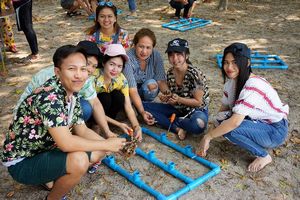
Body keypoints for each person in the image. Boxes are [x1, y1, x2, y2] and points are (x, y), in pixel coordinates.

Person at [0, 45, 127, 199]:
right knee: (79, 161)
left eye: (83, 69)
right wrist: (105, 144)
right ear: (57, 71)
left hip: (43, 149)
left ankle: (50, 176)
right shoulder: (49, 97)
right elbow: (66, 143)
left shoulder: (71, 93)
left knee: (99, 151)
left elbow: (82, 130)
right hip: (23, 162)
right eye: (72, 69)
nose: (79, 75)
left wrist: (112, 144)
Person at [198, 43, 289, 172]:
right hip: (258, 123)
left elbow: (234, 122)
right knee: (223, 123)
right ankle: (246, 135)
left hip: (275, 131)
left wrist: (208, 137)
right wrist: (213, 129)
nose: (229, 67)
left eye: (235, 62)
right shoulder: (231, 82)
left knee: (231, 130)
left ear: (247, 63)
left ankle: (263, 156)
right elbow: (224, 108)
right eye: (226, 62)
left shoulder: (253, 85)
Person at [14, 40, 128, 139]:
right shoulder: (49, 85)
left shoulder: (84, 80)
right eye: (87, 64)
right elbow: (66, 143)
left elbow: (95, 104)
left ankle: (69, 132)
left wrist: (107, 133)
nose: (90, 70)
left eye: (94, 66)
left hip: (53, 117)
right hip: (29, 123)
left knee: (84, 107)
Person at [143, 38, 209, 140]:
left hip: (195, 111)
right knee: (142, 107)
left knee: (198, 125)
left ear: (186, 55)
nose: (174, 58)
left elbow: (198, 102)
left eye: (179, 54)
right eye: (171, 55)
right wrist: (169, 98)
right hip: (178, 108)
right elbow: (174, 98)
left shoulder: (195, 74)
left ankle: (171, 122)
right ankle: (177, 128)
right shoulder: (170, 73)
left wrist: (178, 99)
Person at [94, 43, 142, 141]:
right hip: (92, 110)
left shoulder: (121, 79)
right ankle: (96, 125)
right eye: (112, 64)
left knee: (119, 96)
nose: (115, 70)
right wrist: (119, 124)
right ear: (104, 63)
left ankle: (107, 123)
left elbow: (128, 106)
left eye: (120, 66)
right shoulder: (94, 77)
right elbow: (93, 107)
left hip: (105, 113)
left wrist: (137, 126)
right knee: (104, 97)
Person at [123, 28, 169, 125]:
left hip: (145, 90)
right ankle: (139, 108)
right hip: (130, 91)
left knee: (152, 84)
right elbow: (132, 89)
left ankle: (143, 106)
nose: (144, 51)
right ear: (134, 45)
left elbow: (160, 80)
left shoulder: (156, 55)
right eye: (141, 46)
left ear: (153, 48)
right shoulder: (128, 58)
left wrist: (169, 95)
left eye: (148, 48)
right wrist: (142, 111)